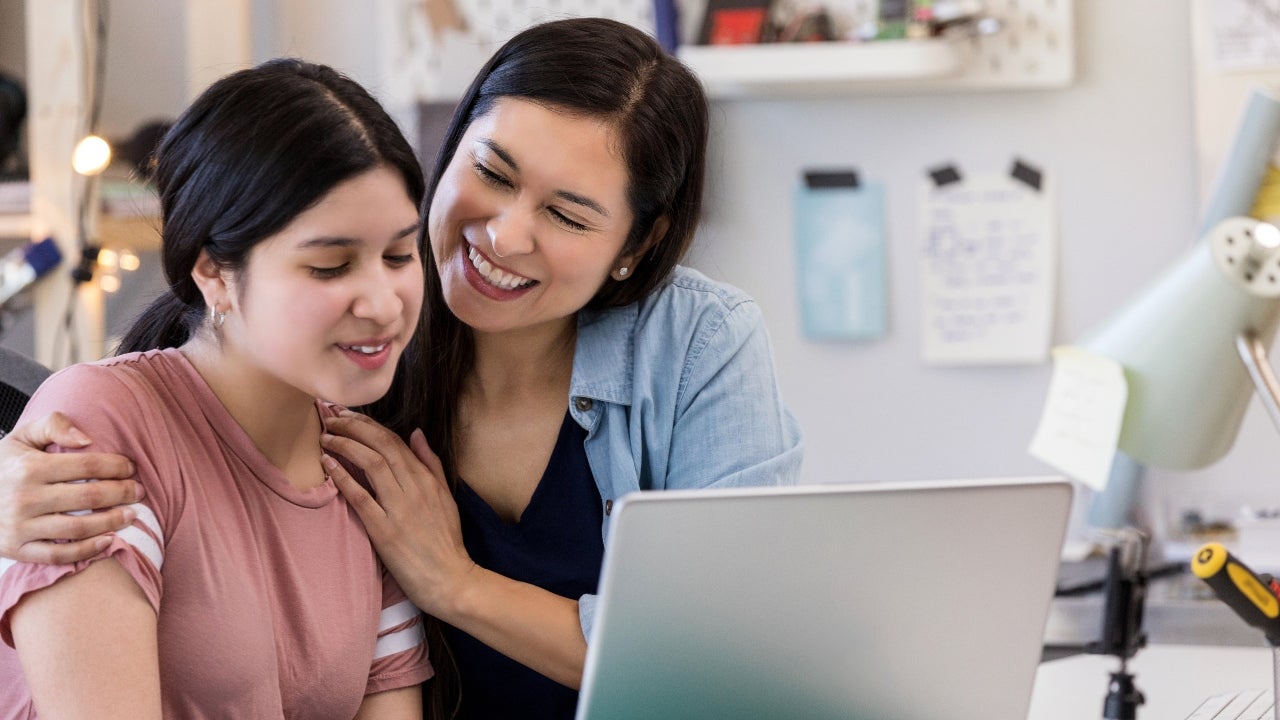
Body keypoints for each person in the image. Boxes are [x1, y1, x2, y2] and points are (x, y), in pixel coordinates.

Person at [0, 17, 801, 719]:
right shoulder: (359, 334)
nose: (504, 236)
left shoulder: (696, 343)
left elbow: (727, 663)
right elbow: (170, 416)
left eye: (564, 214)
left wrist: (455, 583)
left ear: (636, 245)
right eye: (491, 173)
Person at [0, 59, 434, 718]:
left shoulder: (364, 470)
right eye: (330, 266)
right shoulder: (104, 426)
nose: (383, 302)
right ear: (214, 273)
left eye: (400, 256)